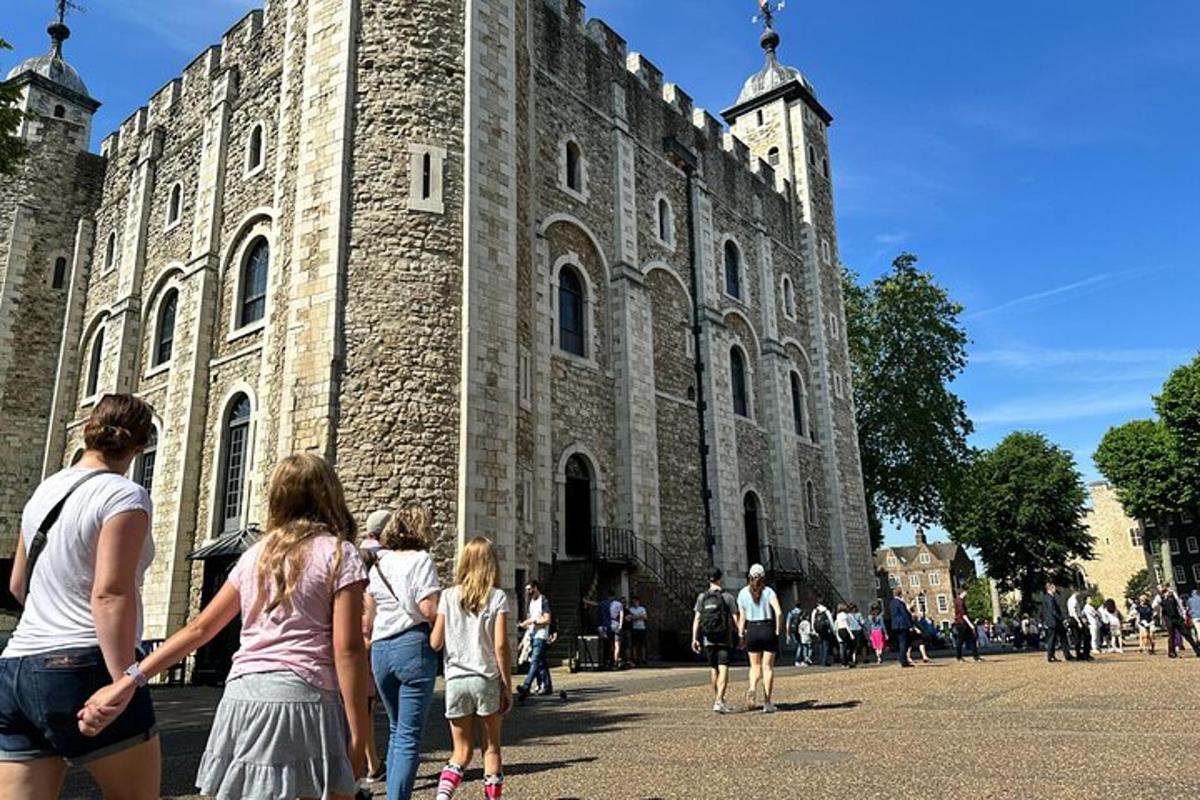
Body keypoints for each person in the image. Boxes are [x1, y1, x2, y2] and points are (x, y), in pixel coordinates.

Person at [79, 452, 373, 800]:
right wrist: (359, 732)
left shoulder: (254, 556)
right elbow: (348, 649)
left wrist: (131, 678)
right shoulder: (339, 554)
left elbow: (199, 629)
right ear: (331, 495)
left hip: (241, 698)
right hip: (302, 697)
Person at [1, 395, 161, 799]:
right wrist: (124, 678)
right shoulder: (124, 495)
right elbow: (110, 593)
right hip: (83, 664)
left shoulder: (44, 493)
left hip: (17, 668)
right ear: (140, 446)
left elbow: (18, 586)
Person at [366, 505, 442, 800]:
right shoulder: (421, 560)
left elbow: (368, 617)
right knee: (409, 735)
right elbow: (427, 609)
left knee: (397, 730)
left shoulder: (379, 565)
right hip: (412, 647)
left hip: (381, 652)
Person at [429, 537, 511, 800]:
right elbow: (500, 645)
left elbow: (435, 642)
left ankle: (443, 797)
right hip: (485, 678)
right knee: (491, 749)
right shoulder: (497, 597)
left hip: (455, 679)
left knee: (461, 752)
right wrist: (507, 685)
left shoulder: (449, 596)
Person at [360, 509, 392, 784]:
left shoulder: (351, 554)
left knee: (359, 707)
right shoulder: (387, 559)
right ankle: (365, 765)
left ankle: (371, 763)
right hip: (374, 641)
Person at [737, 565, 782, 712]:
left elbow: (742, 618)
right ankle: (767, 702)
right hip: (767, 627)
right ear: (763, 577)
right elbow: (779, 612)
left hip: (752, 630)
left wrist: (740, 634)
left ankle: (752, 687)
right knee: (767, 667)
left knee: (754, 666)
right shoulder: (769, 592)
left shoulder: (743, 593)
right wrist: (777, 629)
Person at [692, 567, 738, 713]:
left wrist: (694, 638)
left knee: (714, 669)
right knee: (723, 668)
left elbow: (697, 619)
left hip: (708, 638)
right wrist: (741, 634)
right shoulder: (727, 597)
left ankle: (718, 699)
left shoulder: (702, 597)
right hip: (724, 637)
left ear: (708, 579)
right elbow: (736, 618)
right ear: (720, 578)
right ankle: (719, 700)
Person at [518, 582, 552, 698]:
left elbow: (547, 620)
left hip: (541, 636)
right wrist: (524, 624)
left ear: (535, 588)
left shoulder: (544, 600)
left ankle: (526, 686)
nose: (528, 592)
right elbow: (531, 618)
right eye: (527, 590)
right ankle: (547, 686)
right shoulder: (531, 602)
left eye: (529, 589)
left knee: (535, 661)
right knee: (541, 663)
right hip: (533, 635)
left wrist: (535, 621)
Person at [1159, 585, 1200, 658]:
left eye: (1162, 587)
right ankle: (1171, 652)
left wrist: (1183, 614)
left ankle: (1197, 650)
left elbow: (1179, 604)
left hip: (1177, 617)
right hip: (1168, 618)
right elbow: (1154, 606)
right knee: (1171, 636)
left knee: (1187, 634)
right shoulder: (1159, 597)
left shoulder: (1173, 594)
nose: (1161, 589)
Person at [1043, 582, 1073, 662]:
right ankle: (1051, 656)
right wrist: (1062, 618)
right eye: (1053, 587)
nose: (1055, 588)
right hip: (1054, 622)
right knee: (1052, 640)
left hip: (1054, 622)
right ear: (1049, 588)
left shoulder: (1049, 597)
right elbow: (1053, 611)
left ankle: (1067, 655)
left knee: (1062, 638)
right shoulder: (1049, 598)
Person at [953, 588, 982, 662]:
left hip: (963, 623)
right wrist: (970, 624)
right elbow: (963, 615)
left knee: (972, 638)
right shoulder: (959, 602)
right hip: (961, 623)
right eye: (965, 592)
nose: (966, 593)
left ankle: (975, 656)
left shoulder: (960, 601)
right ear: (962, 593)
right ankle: (959, 657)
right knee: (961, 640)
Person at [889, 588, 914, 668]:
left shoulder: (891, 603)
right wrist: (910, 625)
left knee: (901, 642)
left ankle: (903, 658)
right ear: (900, 594)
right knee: (905, 643)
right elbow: (905, 614)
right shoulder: (900, 603)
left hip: (895, 625)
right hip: (903, 624)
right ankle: (903, 660)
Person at [1067, 590, 1093, 661]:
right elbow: (1074, 612)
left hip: (1077, 618)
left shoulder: (1073, 600)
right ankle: (1081, 654)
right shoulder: (1073, 601)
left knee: (1082, 637)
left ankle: (1083, 653)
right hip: (1075, 619)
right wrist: (1079, 621)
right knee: (1080, 637)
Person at [810, 600, 836, 667]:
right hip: (825, 630)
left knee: (820, 645)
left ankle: (821, 660)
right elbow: (831, 621)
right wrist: (833, 630)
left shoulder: (815, 610)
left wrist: (813, 630)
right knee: (826, 645)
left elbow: (812, 620)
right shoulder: (826, 610)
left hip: (818, 630)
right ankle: (825, 660)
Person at [627, 597, 648, 666]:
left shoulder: (642, 608)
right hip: (634, 628)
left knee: (643, 644)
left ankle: (643, 659)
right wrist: (639, 616)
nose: (635, 603)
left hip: (642, 628)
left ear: (638, 602)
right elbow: (630, 618)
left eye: (636, 601)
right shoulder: (631, 609)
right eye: (634, 602)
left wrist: (636, 617)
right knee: (634, 645)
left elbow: (645, 617)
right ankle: (635, 659)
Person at [834, 603, 856, 669]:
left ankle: (844, 663)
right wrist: (851, 634)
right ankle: (848, 660)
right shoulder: (844, 615)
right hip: (845, 630)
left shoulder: (838, 615)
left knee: (843, 647)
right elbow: (846, 625)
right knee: (851, 646)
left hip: (840, 630)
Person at [785, 601, 805, 667]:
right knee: (800, 645)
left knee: (797, 645)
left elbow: (788, 624)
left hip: (793, 630)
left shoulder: (791, 612)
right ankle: (798, 660)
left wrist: (787, 634)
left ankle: (798, 659)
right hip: (800, 631)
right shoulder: (801, 612)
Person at [609, 594, 626, 668]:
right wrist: (620, 625)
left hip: (608, 624)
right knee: (617, 645)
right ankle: (615, 661)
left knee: (610, 644)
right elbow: (621, 615)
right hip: (616, 624)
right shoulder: (619, 604)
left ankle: (609, 660)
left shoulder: (607, 603)